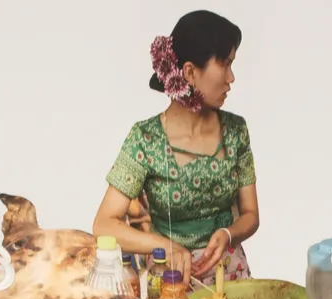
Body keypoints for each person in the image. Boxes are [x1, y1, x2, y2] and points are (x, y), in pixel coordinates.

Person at [93, 10, 258, 280]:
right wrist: (166, 246)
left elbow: (250, 214)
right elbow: (104, 225)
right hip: (170, 278)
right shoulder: (145, 139)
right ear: (190, 72)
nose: (231, 78)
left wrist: (229, 234)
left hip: (229, 275)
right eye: (225, 64)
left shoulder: (235, 131)